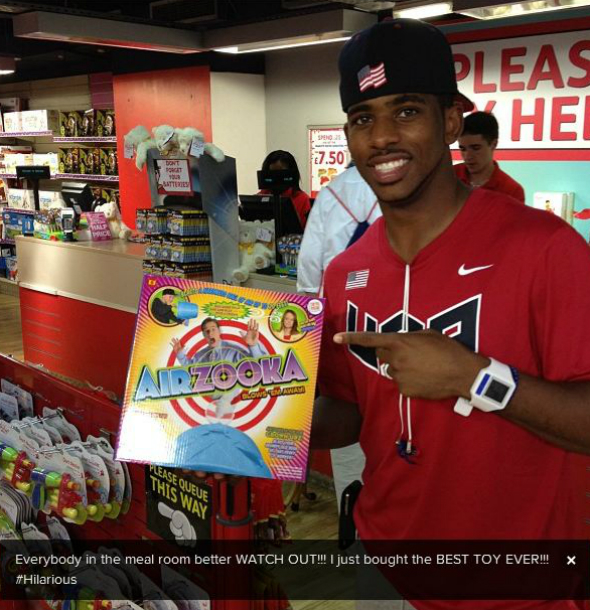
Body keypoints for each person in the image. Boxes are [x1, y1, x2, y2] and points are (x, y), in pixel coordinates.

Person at [313, 18, 590, 609]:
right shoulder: (346, 271)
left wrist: (474, 377)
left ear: (451, 122)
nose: (382, 137)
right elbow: (348, 416)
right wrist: (251, 421)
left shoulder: (546, 248)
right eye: (363, 119)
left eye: (406, 111)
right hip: (385, 564)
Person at [297, 164, 380, 512]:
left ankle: (353, 518)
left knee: (347, 448)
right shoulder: (411, 189)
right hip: (393, 324)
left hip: (339, 325)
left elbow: (308, 276)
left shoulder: (331, 192)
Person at [297, 163, 381, 295]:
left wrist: (311, 288)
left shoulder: (331, 190)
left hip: (336, 289)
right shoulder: (396, 186)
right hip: (381, 287)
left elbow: (310, 254)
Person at [455, 111, 525, 203]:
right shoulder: (449, 176)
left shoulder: (512, 191)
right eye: (463, 149)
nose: (468, 156)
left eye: (476, 148)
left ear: (493, 144)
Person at [171, 317, 265, 365]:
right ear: (204, 335)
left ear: (219, 331)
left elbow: (257, 364)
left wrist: (253, 345)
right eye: (207, 331)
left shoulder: (233, 351)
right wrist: (180, 354)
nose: (210, 333)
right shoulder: (200, 355)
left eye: (213, 329)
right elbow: (190, 367)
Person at [259, 150, 311, 229]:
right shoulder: (260, 197)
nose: (276, 179)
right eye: (272, 173)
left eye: (281, 174)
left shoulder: (302, 199)